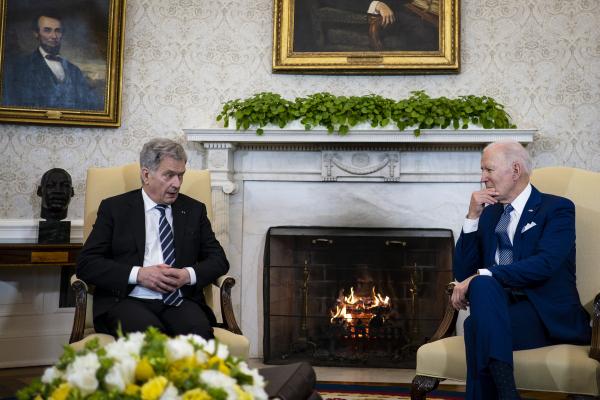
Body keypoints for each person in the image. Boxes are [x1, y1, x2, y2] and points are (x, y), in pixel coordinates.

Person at [450, 140, 591, 400]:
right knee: (480, 291)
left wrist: (484, 275)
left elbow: (544, 264)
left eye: (488, 170)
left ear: (515, 170)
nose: (482, 178)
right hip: (501, 311)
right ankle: (507, 392)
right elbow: (463, 271)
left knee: (475, 326)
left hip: (545, 316)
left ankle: (505, 392)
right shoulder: (490, 214)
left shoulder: (557, 209)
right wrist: (471, 218)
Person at [77, 138, 229, 339]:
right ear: (146, 174)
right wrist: (139, 274)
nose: (177, 184)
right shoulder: (115, 209)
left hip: (179, 300)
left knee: (199, 335)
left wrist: (187, 275)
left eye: (181, 176)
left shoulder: (193, 210)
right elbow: (87, 264)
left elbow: (219, 260)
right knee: (151, 337)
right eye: (169, 175)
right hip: (128, 300)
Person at [1, 11, 102, 110]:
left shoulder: (74, 70)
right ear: (36, 33)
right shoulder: (21, 67)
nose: (54, 36)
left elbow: (87, 105)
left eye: (58, 30)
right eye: (47, 30)